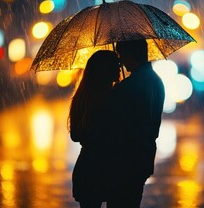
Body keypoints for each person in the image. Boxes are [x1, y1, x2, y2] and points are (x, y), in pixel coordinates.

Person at [107, 39, 165, 208]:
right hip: (143, 155)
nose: (120, 61)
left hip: (125, 159)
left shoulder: (129, 86)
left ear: (131, 55)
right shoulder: (156, 81)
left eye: (121, 55)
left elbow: (119, 125)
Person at [68, 50, 120, 208]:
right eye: (116, 65)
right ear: (106, 69)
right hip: (110, 167)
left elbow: (75, 136)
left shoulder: (82, 97)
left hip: (87, 167)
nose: (120, 68)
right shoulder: (115, 98)